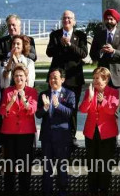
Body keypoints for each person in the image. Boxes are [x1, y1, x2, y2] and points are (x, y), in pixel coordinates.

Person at [46, 9, 88, 144]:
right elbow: (49, 52)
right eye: (64, 18)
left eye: (69, 18)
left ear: (74, 21)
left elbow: (83, 53)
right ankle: (55, 131)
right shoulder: (55, 35)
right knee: (55, 105)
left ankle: (72, 135)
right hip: (56, 78)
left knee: (72, 108)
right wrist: (60, 43)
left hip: (74, 78)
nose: (67, 20)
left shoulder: (80, 35)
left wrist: (70, 44)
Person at [35, 68, 75, 196]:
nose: (52, 80)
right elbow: (38, 114)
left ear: (62, 79)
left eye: (55, 78)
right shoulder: (44, 94)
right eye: (51, 77)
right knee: (47, 168)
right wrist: (45, 107)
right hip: (47, 136)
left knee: (62, 167)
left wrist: (58, 105)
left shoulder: (69, 94)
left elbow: (70, 113)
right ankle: (47, 191)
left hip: (62, 137)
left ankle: (62, 191)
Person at [80, 67, 119, 196]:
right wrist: (90, 98)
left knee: (105, 165)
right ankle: (93, 191)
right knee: (92, 164)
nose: (95, 81)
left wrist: (103, 101)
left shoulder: (113, 92)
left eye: (98, 78)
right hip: (91, 133)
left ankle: (103, 191)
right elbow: (83, 109)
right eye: (94, 78)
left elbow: (112, 110)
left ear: (106, 79)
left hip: (107, 134)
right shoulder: (90, 92)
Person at [0, 64, 37, 195]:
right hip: (9, 133)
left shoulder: (32, 92)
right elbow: (2, 110)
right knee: (9, 167)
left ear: (26, 77)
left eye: (21, 75)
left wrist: (24, 100)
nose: (18, 78)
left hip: (26, 134)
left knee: (25, 167)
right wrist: (12, 101)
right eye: (16, 76)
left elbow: (32, 110)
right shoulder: (7, 91)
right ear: (13, 78)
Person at [89, 9, 120, 89]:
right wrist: (101, 51)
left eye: (111, 19)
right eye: (107, 19)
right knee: (100, 100)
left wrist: (113, 51)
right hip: (101, 77)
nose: (109, 21)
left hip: (117, 76)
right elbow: (92, 54)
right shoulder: (99, 35)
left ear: (116, 21)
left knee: (115, 101)